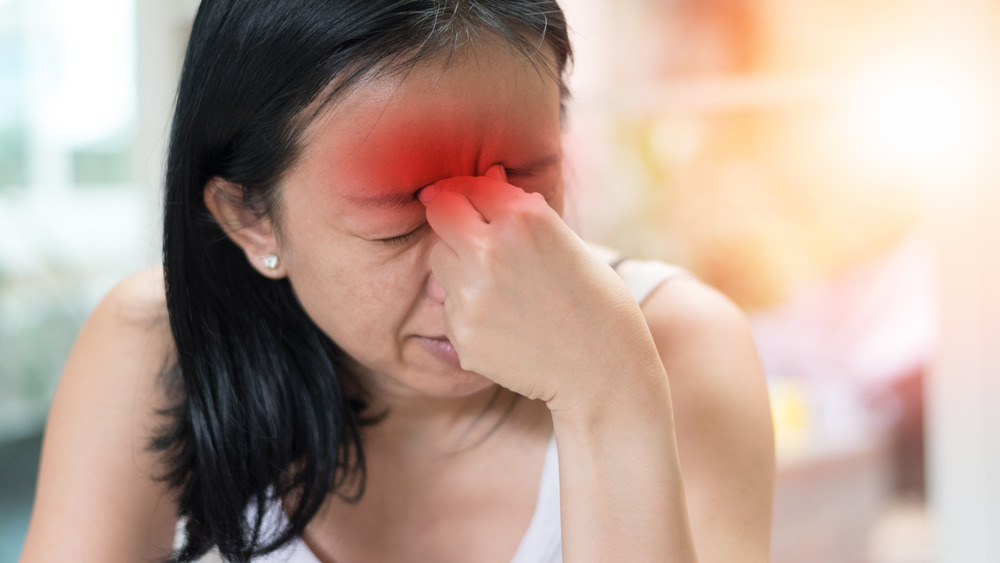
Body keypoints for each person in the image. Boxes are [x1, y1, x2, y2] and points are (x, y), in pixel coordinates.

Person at [21, 1, 774, 561]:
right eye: (399, 220)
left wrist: (608, 395)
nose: (475, 272)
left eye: (525, 186)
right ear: (252, 217)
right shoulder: (155, 349)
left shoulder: (677, 347)